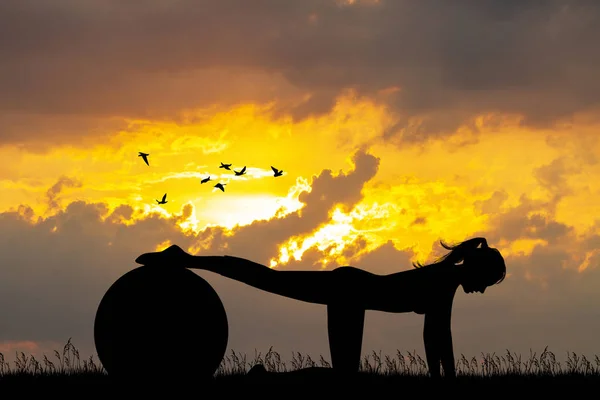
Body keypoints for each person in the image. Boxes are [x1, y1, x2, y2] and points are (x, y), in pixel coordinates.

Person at [135, 236, 506, 379]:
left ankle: (187, 259)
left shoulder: (447, 280)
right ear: (478, 272)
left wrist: (445, 377)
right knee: (270, 278)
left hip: (353, 292)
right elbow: (436, 335)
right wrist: (446, 380)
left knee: (270, 278)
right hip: (351, 294)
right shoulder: (444, 281)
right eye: (487, 284)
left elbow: (439, 336)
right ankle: (185, 259)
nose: (483, 291)